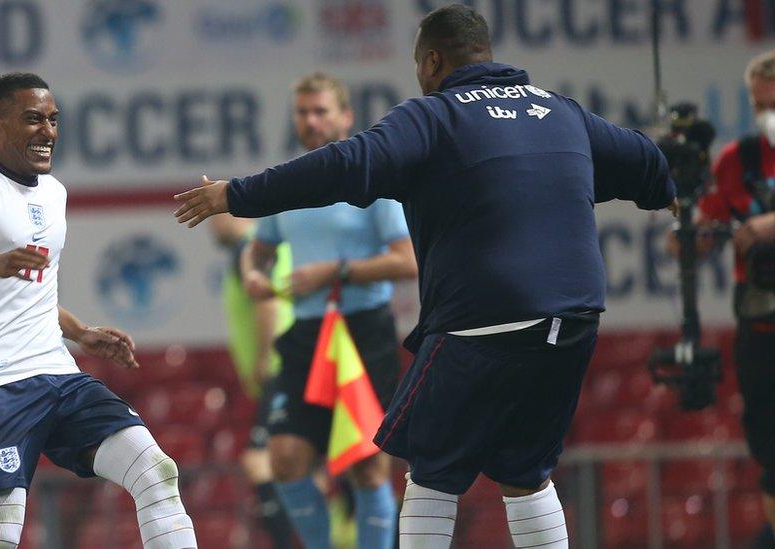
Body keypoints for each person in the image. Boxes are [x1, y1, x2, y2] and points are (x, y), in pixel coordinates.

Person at [174, 6, 676, 549]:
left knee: (432, 475)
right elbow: (649, 162)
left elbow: (345, 164)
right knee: (525, 472)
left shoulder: (435, 116)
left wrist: (236, 194)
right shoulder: (560, 111)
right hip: (574, 321)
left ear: (433, 60)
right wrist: (674, 196)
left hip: (483, 323)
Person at [0, 73, 197, 549]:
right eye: (32, 119)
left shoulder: (55, 193)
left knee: (156, 471)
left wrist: (81, 332)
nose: (47, 132)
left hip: (58, 372)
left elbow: (37, 291)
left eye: (53, 120)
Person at [238, 72, 417, 549]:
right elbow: (257, 248)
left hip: (364, 333)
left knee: (366, 463)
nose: (311, 121)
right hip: (307, 333)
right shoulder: (288, 183)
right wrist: (252, 272)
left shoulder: (374, 183)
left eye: (321, 111)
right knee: (286, 458)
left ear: (345, 117)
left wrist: (332, 272)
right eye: (303, 112)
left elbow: (407, 261)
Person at [670, 50, 775, 547]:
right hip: (760, 323)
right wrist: (684, 223)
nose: (767, 115)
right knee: (770, 454)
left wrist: (766, 226)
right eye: (760, 105)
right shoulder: (737, 160)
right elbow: (702, 234)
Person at [207, 213, 296, 548]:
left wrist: (263, 358)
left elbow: (267, 302)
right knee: (297, 463)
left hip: (278, 367)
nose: (211, 229)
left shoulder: (251, 248)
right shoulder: (267, 245)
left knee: (258, 459)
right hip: (286, 365)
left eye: (213, 218)